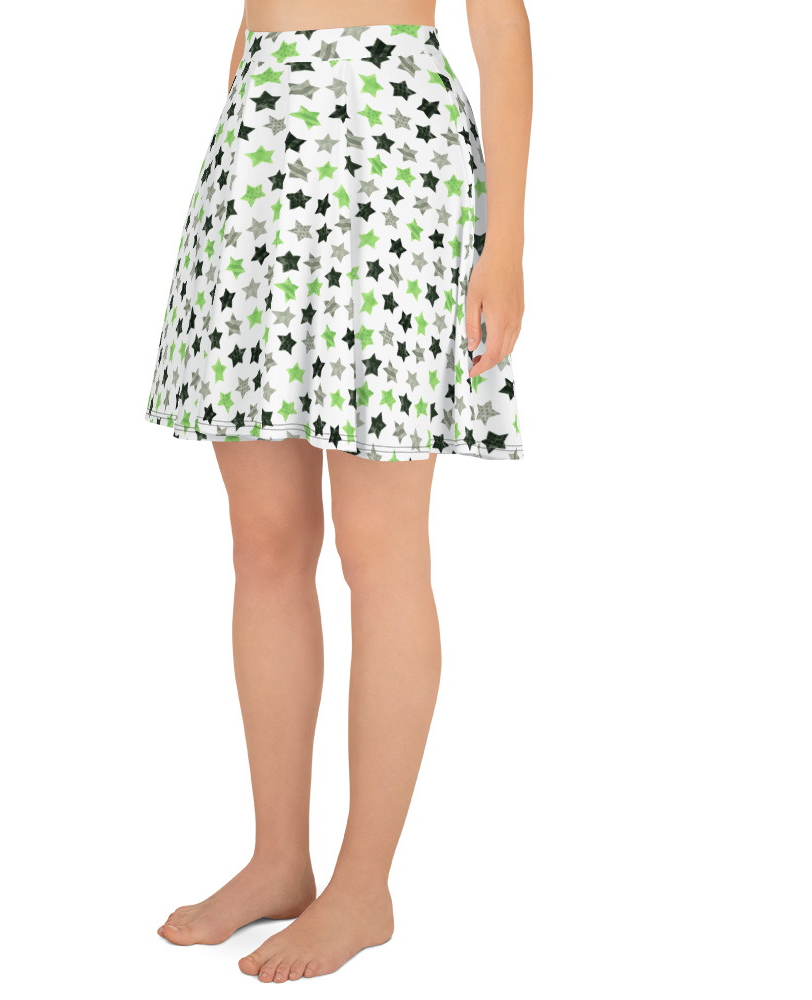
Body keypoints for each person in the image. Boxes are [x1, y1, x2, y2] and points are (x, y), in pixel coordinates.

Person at [147, 0, 532, 982]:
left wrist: (505, 247)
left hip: (396, 146)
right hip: (260, 149)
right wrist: (244, 139)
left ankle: (364, 886)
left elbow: (500, 26)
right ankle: (279, 858)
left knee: (380, 550)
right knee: (264, 542)